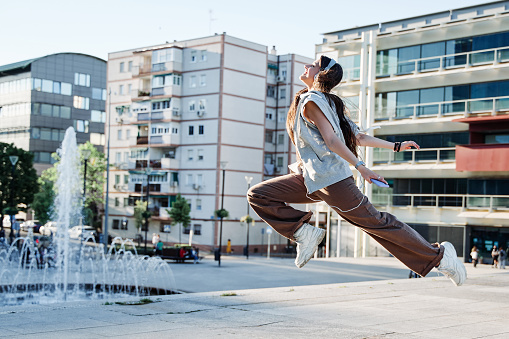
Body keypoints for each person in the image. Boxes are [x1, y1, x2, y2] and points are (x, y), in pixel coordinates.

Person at [247, 55, 467, 286]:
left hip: (331, 180)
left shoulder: (313, 101)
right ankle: (303, 233)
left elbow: (333, 141)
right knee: (259, 194)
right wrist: (396, 146)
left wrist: (361, 167)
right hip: (311, 178)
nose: (306, 66)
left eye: (312, 65)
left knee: (377, 223)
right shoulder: (325, 102)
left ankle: (441, 257)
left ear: (321, 74)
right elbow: (358, 137)